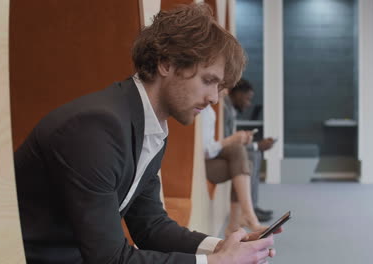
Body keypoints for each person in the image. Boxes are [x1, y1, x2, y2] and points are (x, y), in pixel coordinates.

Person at [14, 3, 281, 264]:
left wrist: (220, 247)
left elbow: (151, 226)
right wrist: (216, 263)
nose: (213, 97)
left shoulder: (148, 125)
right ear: (166, 63)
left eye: (219, 86)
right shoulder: (96, 126)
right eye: (208, 80)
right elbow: (108, 259)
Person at [201, 104, 264, 236]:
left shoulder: (210, 111)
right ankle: (243, 218)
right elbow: (204, 152)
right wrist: (231, 140)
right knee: (241, 159)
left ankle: (238, 222)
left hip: (210, 159)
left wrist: (236, 141)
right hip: (200, 167)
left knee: (242, 157)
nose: (225, 92)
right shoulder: (202, 111)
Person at [224, 79, 276, 222]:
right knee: (253, 154)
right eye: (247, 99)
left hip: (228, 150)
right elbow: (226, 142)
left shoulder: (229, 109)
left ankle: (253, 205)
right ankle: (249, 209)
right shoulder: (224, 108)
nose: (248, 104)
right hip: (221, 151)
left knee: (255, 153)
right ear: (238, 94)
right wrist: (256, 145)